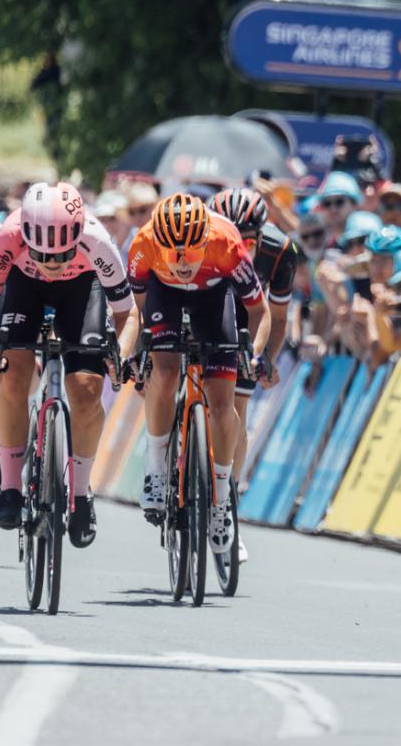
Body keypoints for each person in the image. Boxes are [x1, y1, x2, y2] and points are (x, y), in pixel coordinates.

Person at [0, 183, 140, 547]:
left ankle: (80, 495)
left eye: (61, 255)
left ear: (77, 235)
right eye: (41, 254)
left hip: (82, 288)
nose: (51, 264)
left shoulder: (97, 240)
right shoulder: (8, 237)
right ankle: (11, 487)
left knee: (85, 388)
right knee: (12, 373)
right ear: (25, 238)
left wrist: (119, 357)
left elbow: (128, 314)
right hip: (24, 287)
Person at [127, 193, 270, 555]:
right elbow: (135, 309)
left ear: (205, 241)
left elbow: (260, 312)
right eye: (174, 255)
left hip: (213, 300)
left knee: (223, 403)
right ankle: (157, 467)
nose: (182, 264)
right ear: (159, 245)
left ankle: (222, 499)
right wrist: (137, 349)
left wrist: (252, 353)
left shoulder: (226, 242)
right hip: (164, 298)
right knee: (166, 371)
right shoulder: (142, 245)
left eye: (191, 254)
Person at [208, 188, 294, 475]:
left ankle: (227, 492)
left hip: (250, 316)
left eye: (245, 240)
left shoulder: (279, 250)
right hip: (205, 306)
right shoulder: (199, 241)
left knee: (237, 406)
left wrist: (266, 358)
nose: (236, 247)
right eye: (226, 237)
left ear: (261, 234)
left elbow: (278, 317)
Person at [317, 171, 362, 246]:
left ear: (354, 204)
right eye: (327, 204)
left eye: (339, 202)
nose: (333, 209)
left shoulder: (368, 237)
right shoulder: (318, 246)